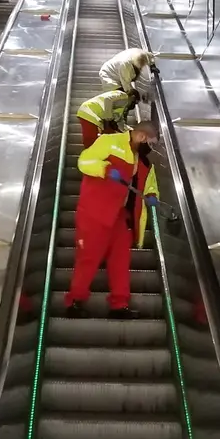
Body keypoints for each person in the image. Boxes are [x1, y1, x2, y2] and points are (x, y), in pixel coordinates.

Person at [65, 122, 161, 319]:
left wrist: (152, 195)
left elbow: (150, 184)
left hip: (122, 217)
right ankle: (75, 301)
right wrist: (104, 169)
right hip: (96, 212)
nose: (151, 147)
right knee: (89, 257)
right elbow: (84, 161)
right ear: (142, 136)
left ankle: (119, 305)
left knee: (120, 261)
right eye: (150, 142)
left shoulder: (144, 162)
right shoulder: (109, 141)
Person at [76, 89, 140, 148]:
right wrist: (109, 118)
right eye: (134, 102)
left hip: (92, 113)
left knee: (104, 136)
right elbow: (108, 99)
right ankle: (90, 157)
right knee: (91, 141)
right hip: (90, 111)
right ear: (132, 97)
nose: (133, 105)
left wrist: (130, 130)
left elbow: (120, 121)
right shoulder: (123, 96)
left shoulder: (122, 106)